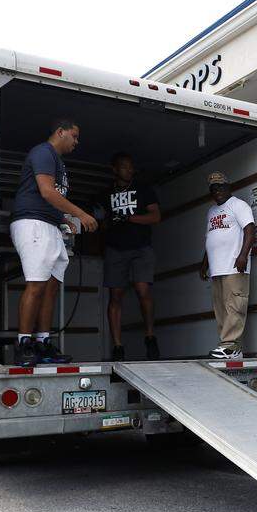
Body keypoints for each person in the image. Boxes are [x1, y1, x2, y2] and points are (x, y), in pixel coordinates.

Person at [10, 118, 98, 366]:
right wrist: (80, 214)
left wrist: (63, 219)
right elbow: (47, 191)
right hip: (32, 223)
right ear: (60, 132)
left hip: (50, 225)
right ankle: (23, 344)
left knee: (51, 287)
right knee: (36, 285)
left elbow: (50, 199)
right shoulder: (43, 152)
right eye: (74, 136)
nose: (76, 142)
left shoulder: (58, 161)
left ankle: (42, 342)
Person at [96, 152, 161, 361]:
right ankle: (118, 346)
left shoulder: (143, 190)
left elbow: (155, 216)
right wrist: (103, 221)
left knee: (143, 291)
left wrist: (129, 217)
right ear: (115, 169)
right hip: (116, 249)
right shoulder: (105, 195)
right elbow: (102, 224)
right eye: (124, 166)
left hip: (141, 247)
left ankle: (150, 338)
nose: (129, 170)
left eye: (131, 167)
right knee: (115, 296)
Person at [199, 172, 255, 360]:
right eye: (214, 188)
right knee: (221, 308)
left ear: (229, 187)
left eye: (221, 187)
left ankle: (231, 346)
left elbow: (249, 229)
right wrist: (204, 264)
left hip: (234, 267)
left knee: (234, 306)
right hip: (217, 269)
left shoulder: (238, 205)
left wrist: (243, 255)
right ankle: (227, 346)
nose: (218, 191)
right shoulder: (211, 211)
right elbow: (210, 239)